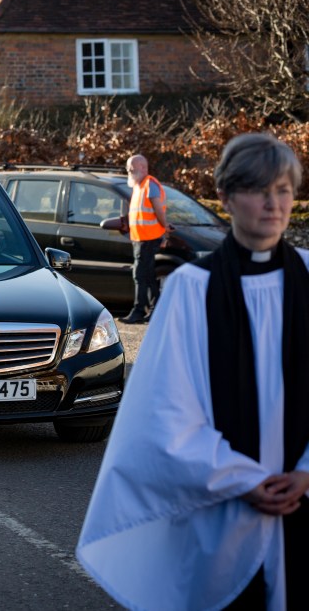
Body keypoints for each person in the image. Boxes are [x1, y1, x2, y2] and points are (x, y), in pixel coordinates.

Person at [77, 133, 309, 610]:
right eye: (257, 190)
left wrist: (305, 473)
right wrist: (243, 479)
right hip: (221, 511)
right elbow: (163, 413)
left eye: (283, 190)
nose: (272, 204)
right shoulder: (191, 289)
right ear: (224, 196)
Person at [118, 154, 170, 324]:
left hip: (149, 238)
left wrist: (165, 227)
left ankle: (139, 310)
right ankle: (155, 310)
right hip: (141, 238)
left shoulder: (149, 184)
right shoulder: (139, 186)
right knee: (146, 275)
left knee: (140, 275)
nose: (128, 171)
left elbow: (158, 210)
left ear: (142, 167)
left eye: (131, 168)